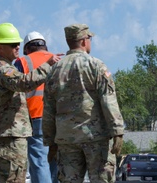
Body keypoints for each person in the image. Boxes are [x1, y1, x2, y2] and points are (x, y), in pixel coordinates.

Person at [42, 23, 124, 183]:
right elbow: (108, 101)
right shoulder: (96, 66)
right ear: (84, 41)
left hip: (66, 140)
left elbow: (48, 109)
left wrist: (50, 141)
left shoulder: (54, 70)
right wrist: (117, 131)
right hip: (95, 138)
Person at [0, 23, 61, 183]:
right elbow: (23, 83)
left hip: (11, 134)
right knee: (14, 178)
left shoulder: (4, 68)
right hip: (10, 135)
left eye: (18, 43)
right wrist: (48, 65)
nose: (17, 47)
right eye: (13, 44)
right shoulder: (3, 70)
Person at [14, 31, 58, 183]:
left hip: (36, 117)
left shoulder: (22, 61)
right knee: (57, 162)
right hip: (61, 118)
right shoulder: (57, 60)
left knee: (40, 162)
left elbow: (16, 89)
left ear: (27, 48)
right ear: (45, 45)